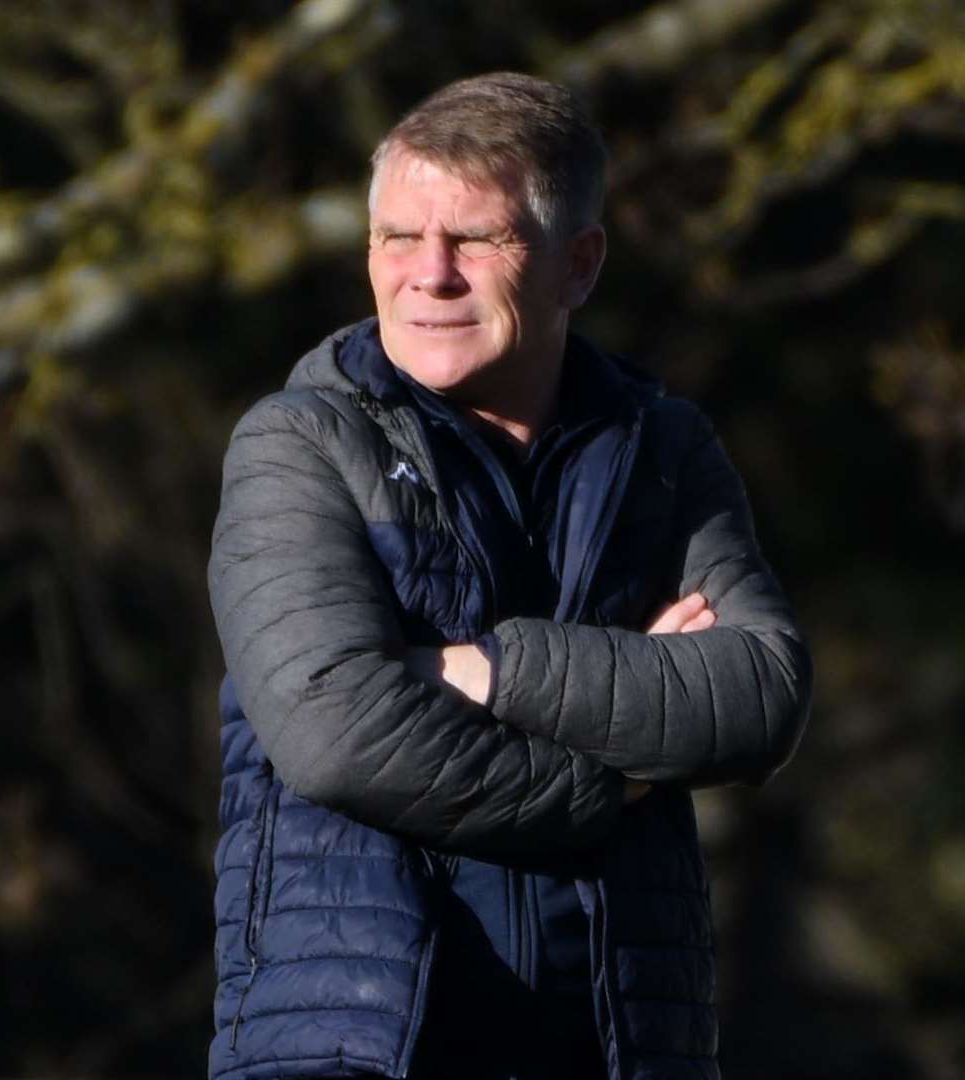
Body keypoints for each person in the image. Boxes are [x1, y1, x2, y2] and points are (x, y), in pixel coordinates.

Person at [206, 72, 812, 1080]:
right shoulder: (299, 446)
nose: (427, 274)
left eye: (473, 240)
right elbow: (336, 736)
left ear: (579, 264)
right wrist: (615, 777)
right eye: (398, 237)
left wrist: (489, 670)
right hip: (360, 1049)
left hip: (622, 1050)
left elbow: (759, 694)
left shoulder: (662, 449)